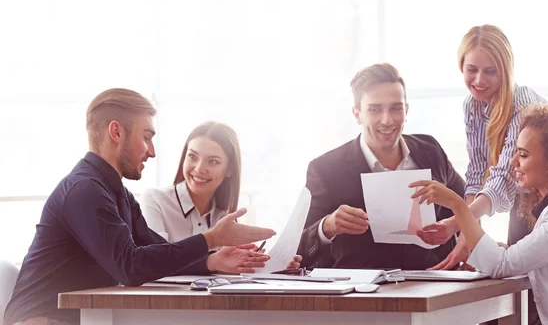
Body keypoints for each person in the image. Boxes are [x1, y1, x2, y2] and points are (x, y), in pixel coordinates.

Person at [4, 89, 275, 325]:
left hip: (80, 319)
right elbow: (131, 267)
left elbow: (153, 254)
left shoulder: (116, 192)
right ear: (116, 132)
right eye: (147, 137)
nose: (152, 150)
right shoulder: (84, 191)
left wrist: (211, 260)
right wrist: (211, 239)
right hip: (42, 321)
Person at [411, 105, 548, 325]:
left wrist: (457, 204)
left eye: (524, 155)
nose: (514, 163)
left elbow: (502, 265)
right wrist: (501, 249)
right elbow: (524, 256)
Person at [296, 63, 465, 269]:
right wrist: (328, 226)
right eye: (375, 110)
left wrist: (465, 240)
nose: (387, 120)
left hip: (435, 286)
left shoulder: (430, 150)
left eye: (396, 108)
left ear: (406, 109)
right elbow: (297, 249)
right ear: (357, 114)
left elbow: (466, 205)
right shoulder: (326, 170)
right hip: (364, 295)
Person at [140, 121, 301, 272]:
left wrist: (272, 264)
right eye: (192, 156)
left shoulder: (223, 218)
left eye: (213, 162)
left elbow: (232, 267)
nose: (199, 169)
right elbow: (156, 261)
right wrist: (213, 261)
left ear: (229, 169)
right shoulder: (155, 200)